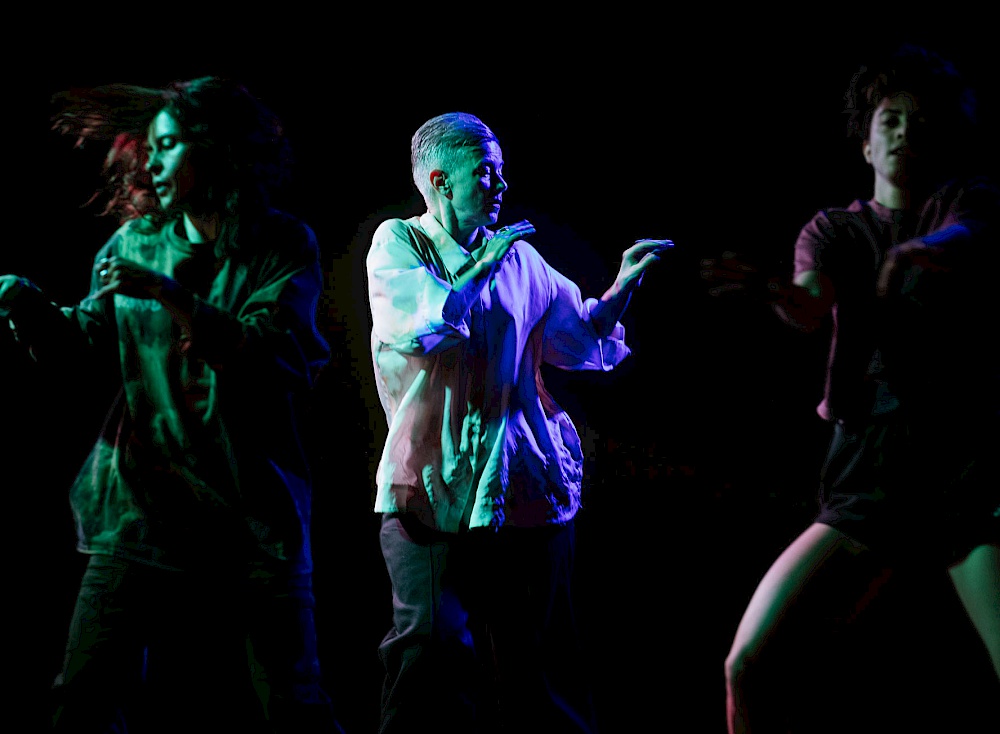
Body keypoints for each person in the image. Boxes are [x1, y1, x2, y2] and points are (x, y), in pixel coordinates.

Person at [1, 77, 346, 733]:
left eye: (167, 146)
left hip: (251, 515)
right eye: (149, 149)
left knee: (294, 707)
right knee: (82, 701)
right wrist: (31, 312)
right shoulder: (135, 244)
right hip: (140, 509)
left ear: (214, 148)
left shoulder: (282, 245)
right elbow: (85, 346)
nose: (149, 163)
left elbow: (273, 360)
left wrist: (174, 296)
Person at [702, 44, 1000, 732]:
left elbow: (971, 235)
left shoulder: (966, 201)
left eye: (919, 121)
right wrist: (776, 290)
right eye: (890, 119)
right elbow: (810, 302)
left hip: (962, 481)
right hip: (869, 480)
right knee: (747, 665)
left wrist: (926, 251)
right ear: (866, 141)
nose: (903, 132)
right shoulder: (836, 230)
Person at [365, 110, 672, 733]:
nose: (500, 184)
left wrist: (621, 288)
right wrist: (482, 268)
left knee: (538, 663)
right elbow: (420, 328)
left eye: (501, 171)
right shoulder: (401, 243)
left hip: (522, 488)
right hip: (429, 489)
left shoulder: (519, 258)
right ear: (440, 181)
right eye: (485, 171)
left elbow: (580, 333)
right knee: (427, 655)